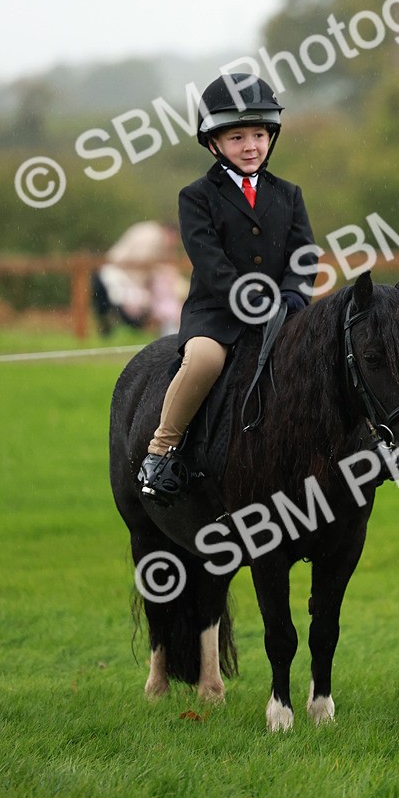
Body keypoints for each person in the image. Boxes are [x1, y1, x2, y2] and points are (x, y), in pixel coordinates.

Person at [139, 72, 315, 505]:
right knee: (202, 361)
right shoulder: (196, 196)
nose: (251, 146)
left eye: (258, 134)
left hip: (282, 311)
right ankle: (161, 450)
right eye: (237, 137)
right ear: (214, 143)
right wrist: (247, 298)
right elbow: (210, 263)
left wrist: (293, 295)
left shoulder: (288, 194)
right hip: (217, 312)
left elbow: (304, 253)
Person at [92, 221, 178, 336]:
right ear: (171, 233)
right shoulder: (153, 237)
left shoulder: (149, 231)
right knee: (131, 309)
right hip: (116, 275)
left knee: (116, 310)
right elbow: (140, 265)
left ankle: (115, 335)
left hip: (113, 272)